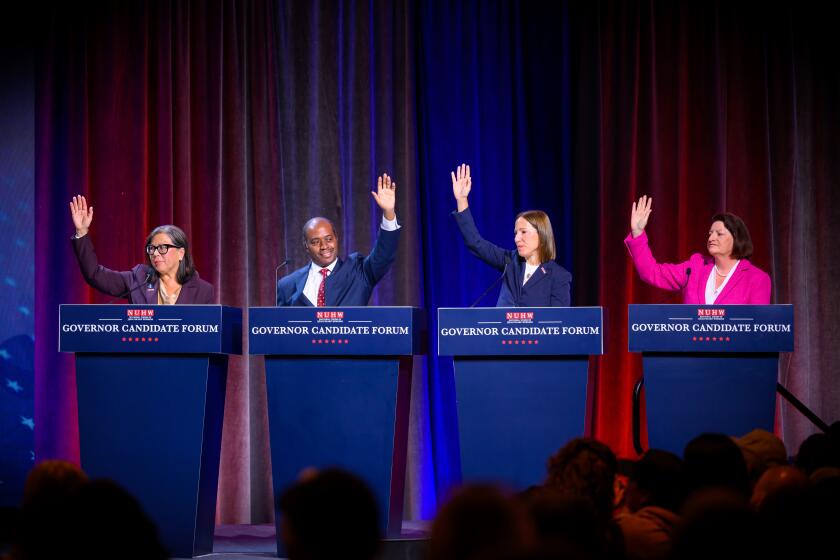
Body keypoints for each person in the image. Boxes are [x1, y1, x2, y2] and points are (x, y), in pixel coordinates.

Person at [451, 164, 571, 306]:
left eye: (523, 232)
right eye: (516, 233)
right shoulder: (510, 262)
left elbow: (557, 324)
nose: (517, 238)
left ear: (542, 235)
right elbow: (475, 243)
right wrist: (461, 200)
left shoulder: (558, 277)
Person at [276, 173, 400, 306]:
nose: (324, 246)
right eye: (315, 242)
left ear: (336, 238)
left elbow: (384, 255)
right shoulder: (287, 285)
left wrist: (389, 213)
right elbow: (279, 325)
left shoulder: (359, 272)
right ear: (306, 246)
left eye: (328, 239)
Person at [625, 195, 770, 304]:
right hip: (692, 344)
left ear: (737, 238)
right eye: (710, 233)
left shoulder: (757, 279)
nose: (711, 238)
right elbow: (651, 272)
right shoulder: (695, 268)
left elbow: (757, 330)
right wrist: (637, 232)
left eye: (719, 234)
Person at [70, 195, 214, 304]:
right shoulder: (139, 279)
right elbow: (94, 275)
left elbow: (208, 336)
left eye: (162, 248)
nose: (155, 253)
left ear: (181, 253)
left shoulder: (203, 291)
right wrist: (82, 232)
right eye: (152, 248)